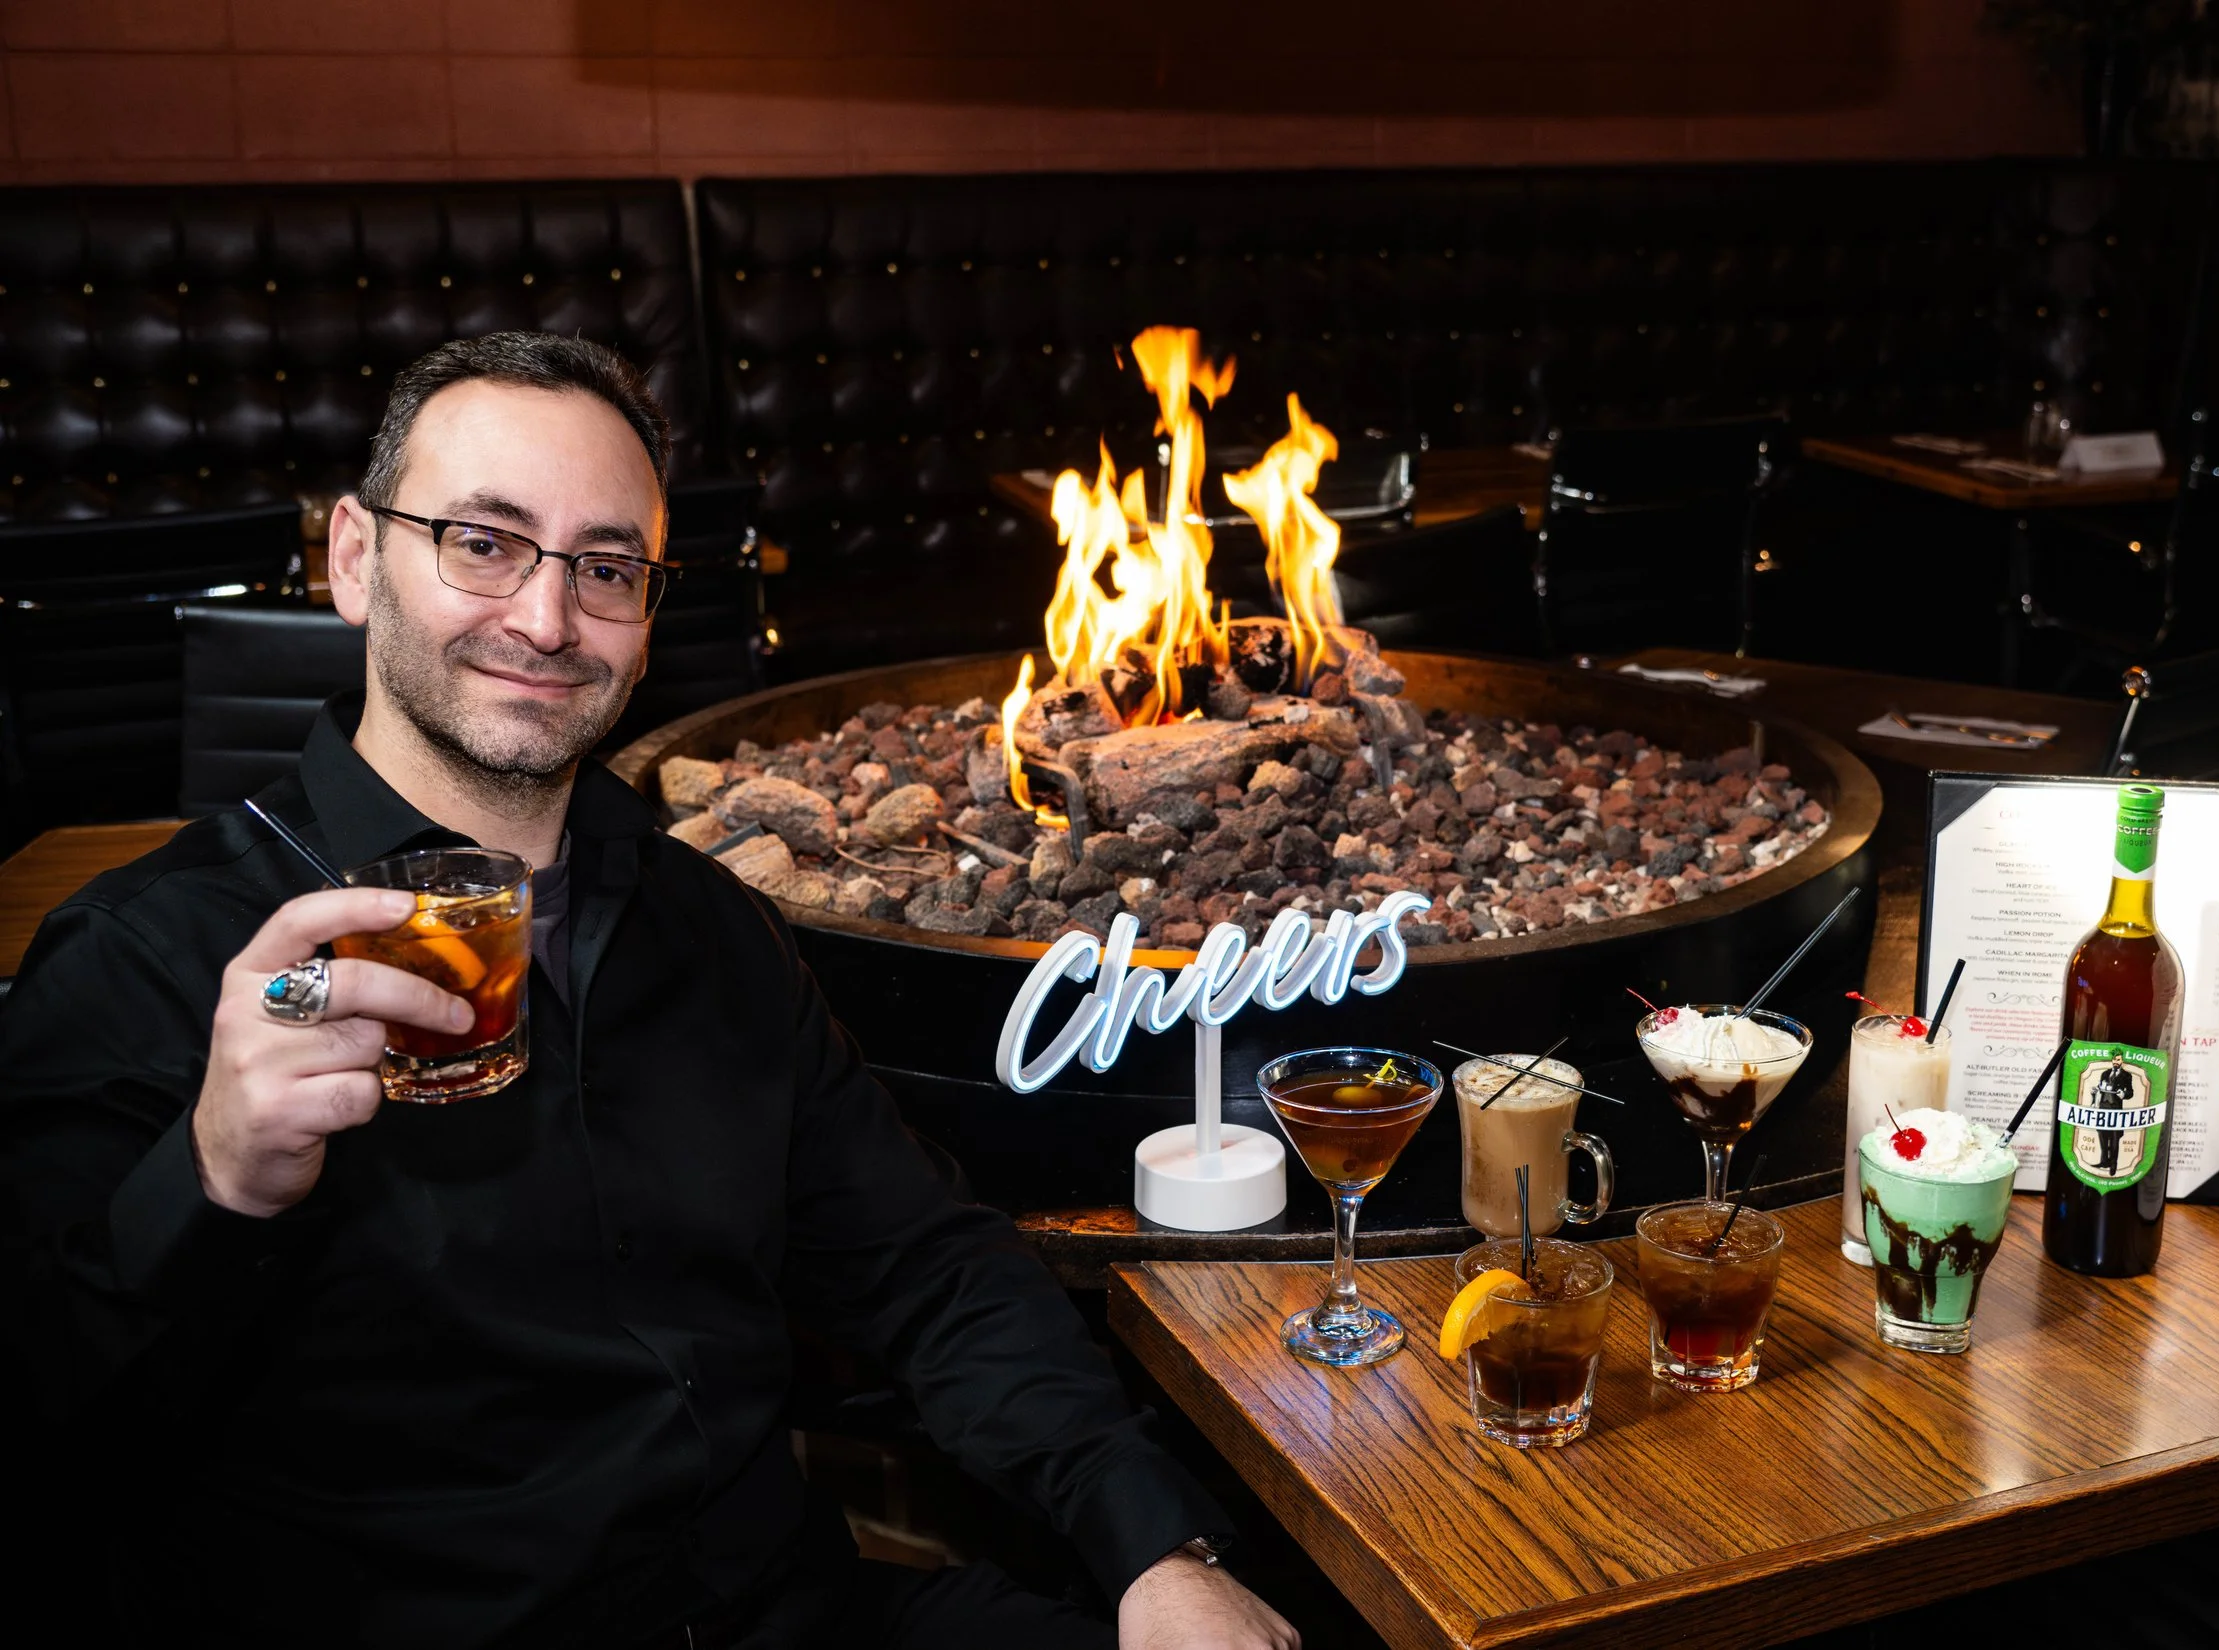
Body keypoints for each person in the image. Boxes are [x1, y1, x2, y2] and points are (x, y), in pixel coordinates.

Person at [0, 333, 1299, 1650]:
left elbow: (927, 1267)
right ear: (353, 559)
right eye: (484, 543)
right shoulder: (145, 957)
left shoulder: (709, 925)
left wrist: (1152, 1549)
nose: (549, 619)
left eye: (605, 568)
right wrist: (211, 1181)